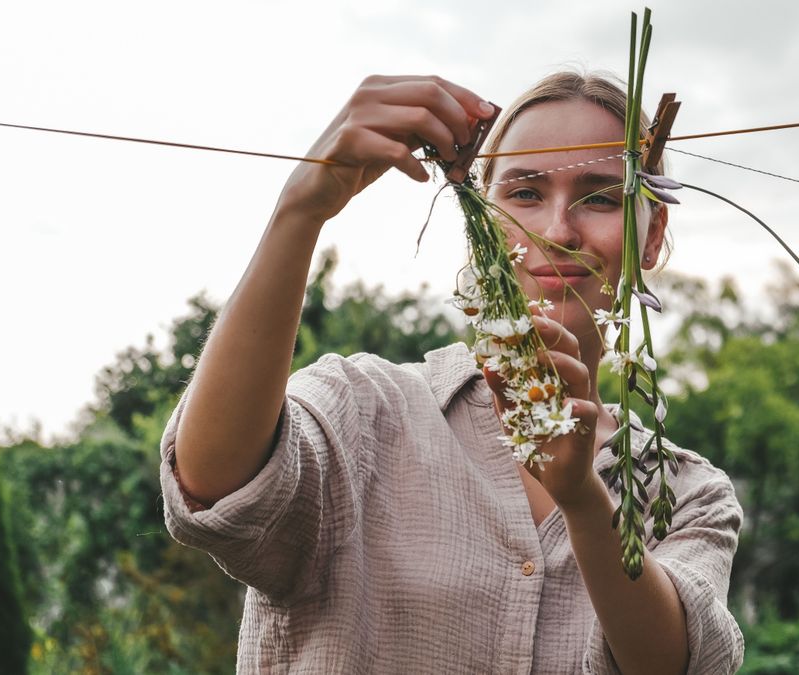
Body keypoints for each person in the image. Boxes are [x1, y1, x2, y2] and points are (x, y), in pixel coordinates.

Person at [160, 71, 745, 674]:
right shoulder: (364, 408)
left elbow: (677, 664)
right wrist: (301, 210)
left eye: (600, 197)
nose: (556, 231)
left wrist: (585, 503)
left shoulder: (683, 492)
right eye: (523, 193)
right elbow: (212, 483)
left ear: (652, 239)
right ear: (479, 219)